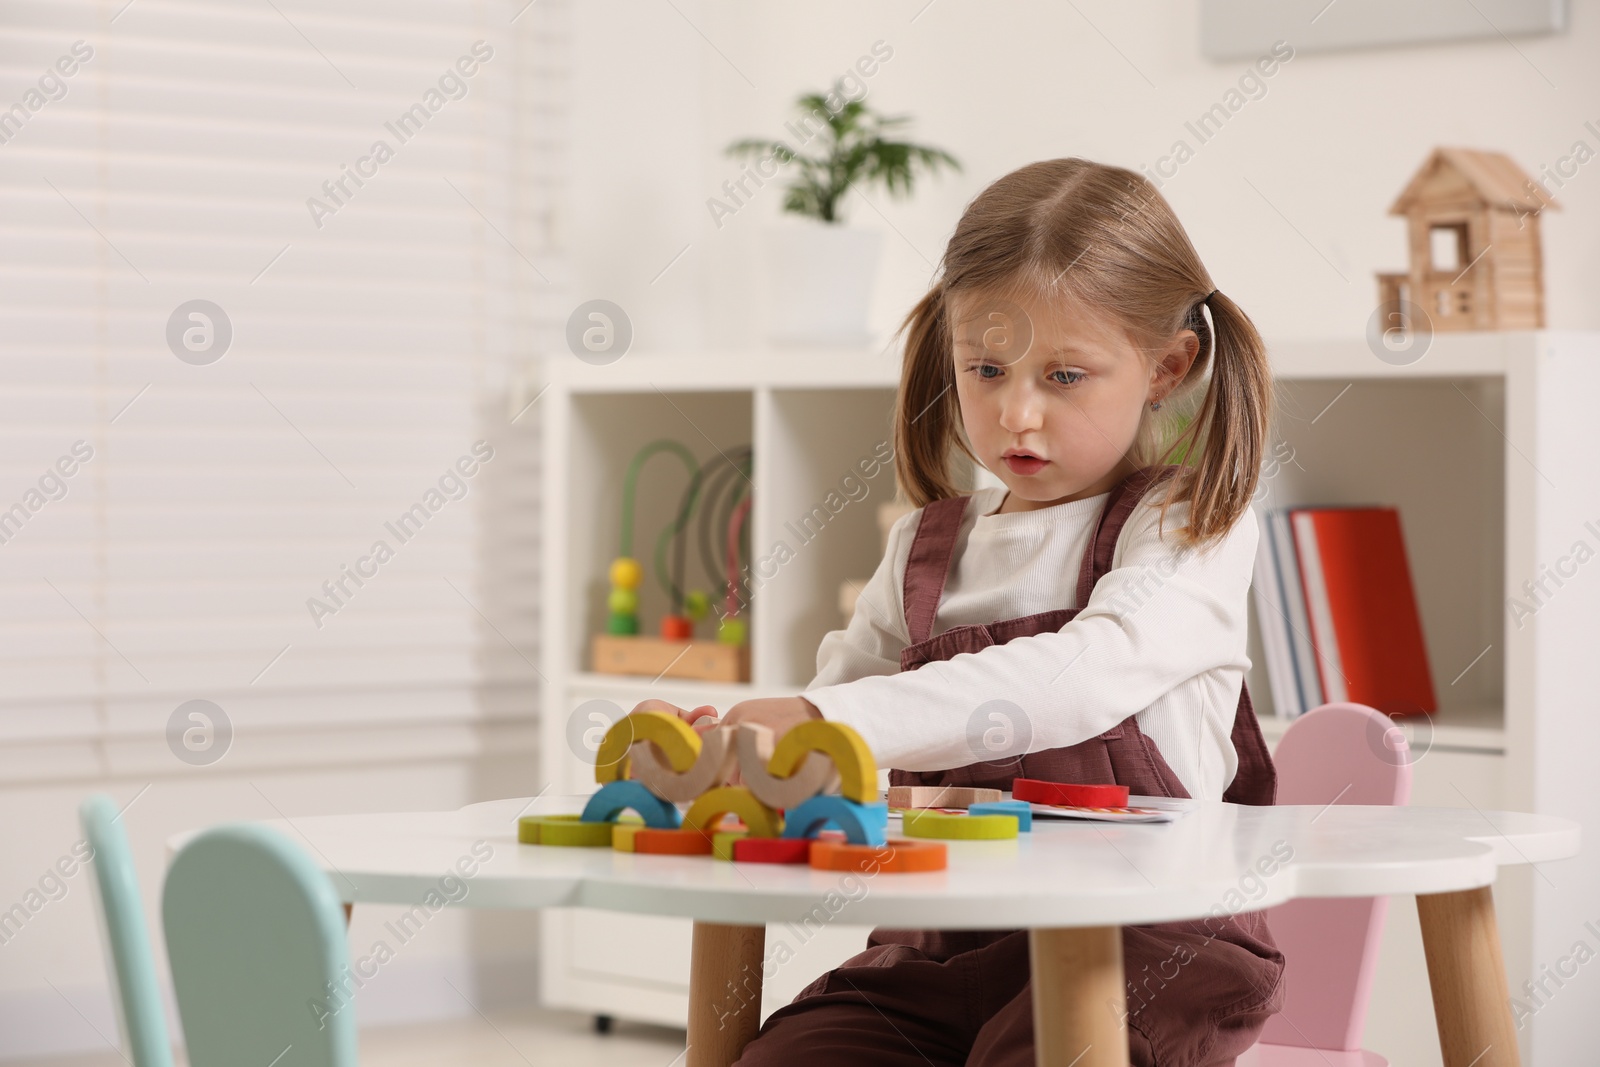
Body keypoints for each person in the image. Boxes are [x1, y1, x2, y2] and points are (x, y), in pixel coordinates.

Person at [643, 156, 1282, 1066]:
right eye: (985, 369)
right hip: (946, 944)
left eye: (1064, 376)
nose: (1016, 413)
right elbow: (839, 732)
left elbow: (1083, 673)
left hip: (1151, 941)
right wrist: (741, 757)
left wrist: (829, 718)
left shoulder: (1187, 525)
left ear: (1166, 366)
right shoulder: (924, 547)